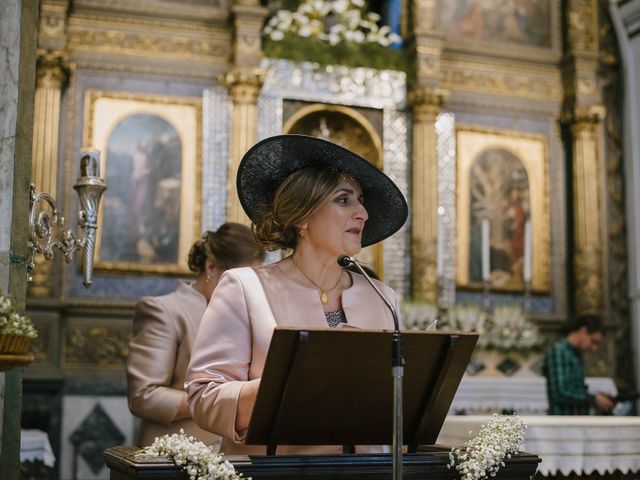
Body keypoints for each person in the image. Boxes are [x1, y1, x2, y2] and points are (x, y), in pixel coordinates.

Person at [185, 134, 408, 455]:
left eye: (361, 201)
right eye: (344, 200)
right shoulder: (243, 287)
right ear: (302, 216)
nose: (363, 213)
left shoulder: (382, 297)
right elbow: (204, 397)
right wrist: (287, 389)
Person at [126, 223, 266, 447]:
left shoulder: (252, 317)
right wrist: (218, 403)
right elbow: (144, 397)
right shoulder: (164, 311)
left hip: (236, 453)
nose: (246, 288)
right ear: (211, 268)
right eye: (239, 279)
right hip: (176, 454)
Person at [543, 314, 615, 415]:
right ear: (583, 331)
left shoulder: (576, 353)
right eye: (593, 341)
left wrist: (597, 397)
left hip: (576, 418)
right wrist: (594, 399)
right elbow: (559, 392)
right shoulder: (559, 351)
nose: (594, 348)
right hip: (562, 420)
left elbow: (576, 388)